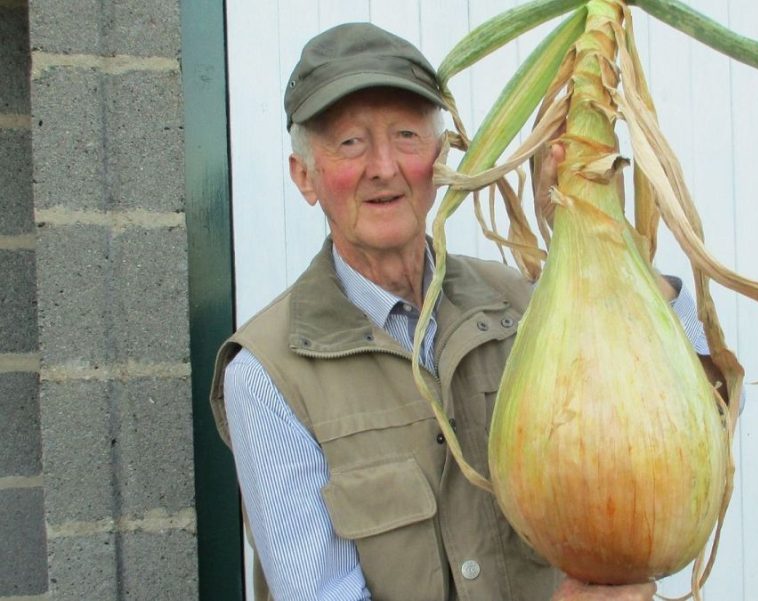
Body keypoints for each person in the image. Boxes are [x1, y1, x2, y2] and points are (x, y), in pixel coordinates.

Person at [210, 22, 715, 601]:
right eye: (349, 142)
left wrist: (600, 231)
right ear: (305, 176)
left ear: (441, 157)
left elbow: (703, 414)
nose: (383, 166)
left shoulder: (526, 300)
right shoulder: (268, 374)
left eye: (406, 135)